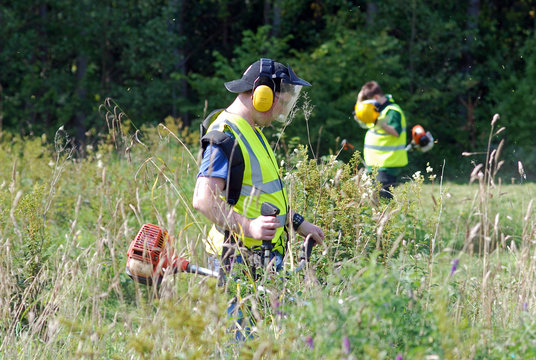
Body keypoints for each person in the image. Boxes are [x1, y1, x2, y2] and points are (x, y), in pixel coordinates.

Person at [192, 58, 325, 338]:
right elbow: (204, 199)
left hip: (260, 259)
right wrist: (250, 227)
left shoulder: (253, 132)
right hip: (236, 259)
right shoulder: (225, 134)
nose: (281, 112)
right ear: (261, 94)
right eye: (281, 101)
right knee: (243, 345)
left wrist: (297, 223)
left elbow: (258, 197)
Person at [354, 81, 408, 199]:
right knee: (374, 200)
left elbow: (395, 132)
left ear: (376, 97)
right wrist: (359, 98)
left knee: (383, 200)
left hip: (387, 164)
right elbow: (358, 116)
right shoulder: (376, 110)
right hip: (374, 164)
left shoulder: (392, 111)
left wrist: (377, 122)